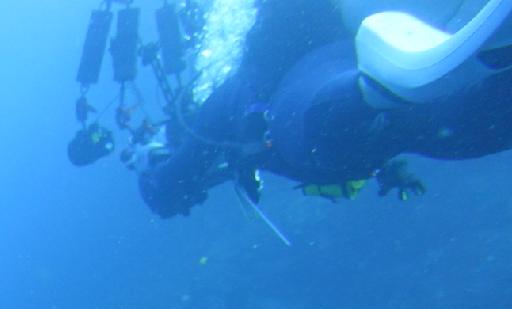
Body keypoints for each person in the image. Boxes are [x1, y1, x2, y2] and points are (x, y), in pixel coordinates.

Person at [137, 0, 512, 217]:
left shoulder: (230, 93)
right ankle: (389, 85)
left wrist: (148, 171)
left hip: (333, 103)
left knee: (323, 129)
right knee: (442, 121)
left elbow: (170, 185)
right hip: (359, 72)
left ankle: (379, 88)